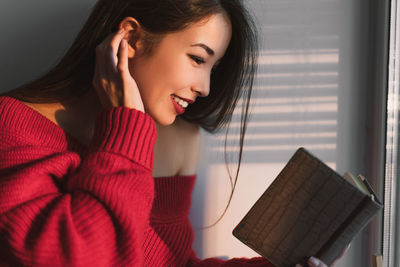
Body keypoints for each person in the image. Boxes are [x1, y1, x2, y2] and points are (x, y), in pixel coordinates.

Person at [0, 0, 347, 266]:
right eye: (198, 59)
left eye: (215, 67)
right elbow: (80, 256)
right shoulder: (12, 126)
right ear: (131, 39)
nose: (206, 87)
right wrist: (124, 127)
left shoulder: (178, 139)